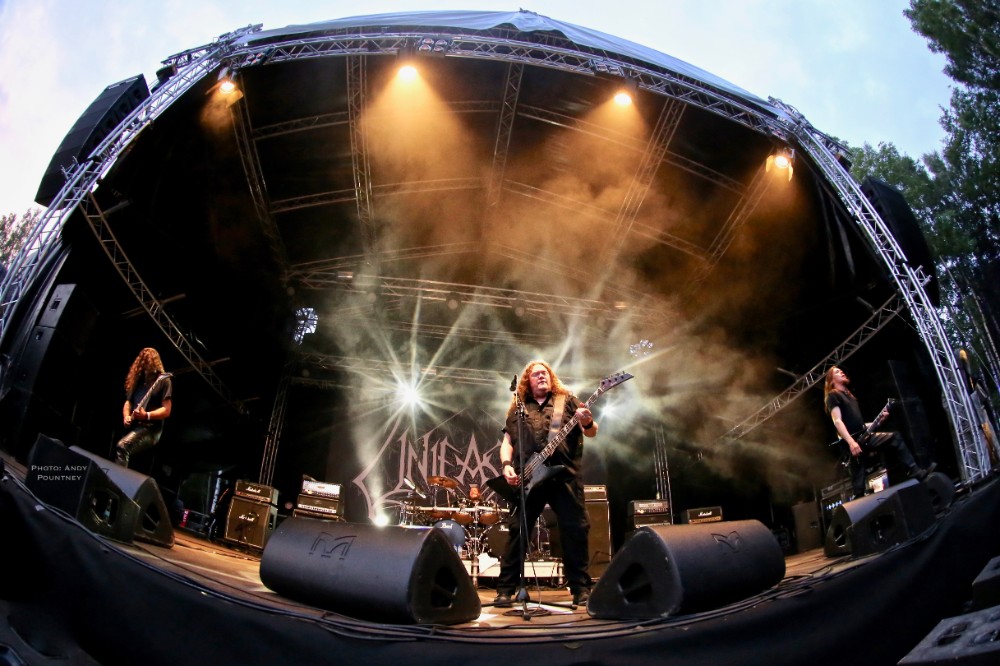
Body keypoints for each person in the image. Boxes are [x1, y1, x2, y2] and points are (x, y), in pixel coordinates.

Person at [494, 360, 598, 608]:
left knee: (575, 529)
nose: (541, 376)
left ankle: (580, 589)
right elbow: (507, 442)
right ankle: (506, 589)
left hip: (565, 476)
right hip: (529, 478)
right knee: (518, 530)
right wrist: (506, 465)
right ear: (527, 382)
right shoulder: (519, 409)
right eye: (536, 374)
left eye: (545, 373)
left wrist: (586, 421)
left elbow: (592, 431)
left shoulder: (568, 401)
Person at [824, 366, 934, 499]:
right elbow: (837, 421)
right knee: (858, 487)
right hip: (853, 442)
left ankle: (915, 472)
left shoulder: (850, 396)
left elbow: (860, 425)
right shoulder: (833, 395)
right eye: (837, 372)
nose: (841, 372)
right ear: (831, 380)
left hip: (863, 437)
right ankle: (859, 502)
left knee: (895, 439)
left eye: (841, 370)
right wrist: (851, 442)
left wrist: (879, 421)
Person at [115, 347, 173, 468]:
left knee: (123, 446)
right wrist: (126, 416)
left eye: (147, 361)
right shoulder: (138, 381)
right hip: (136, 426)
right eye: (141, 361)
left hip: (152, 429)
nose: (144, 364)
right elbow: (128, 402)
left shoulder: (163, 380)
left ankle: (117, 478)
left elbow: (166, 410)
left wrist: (146, 415)